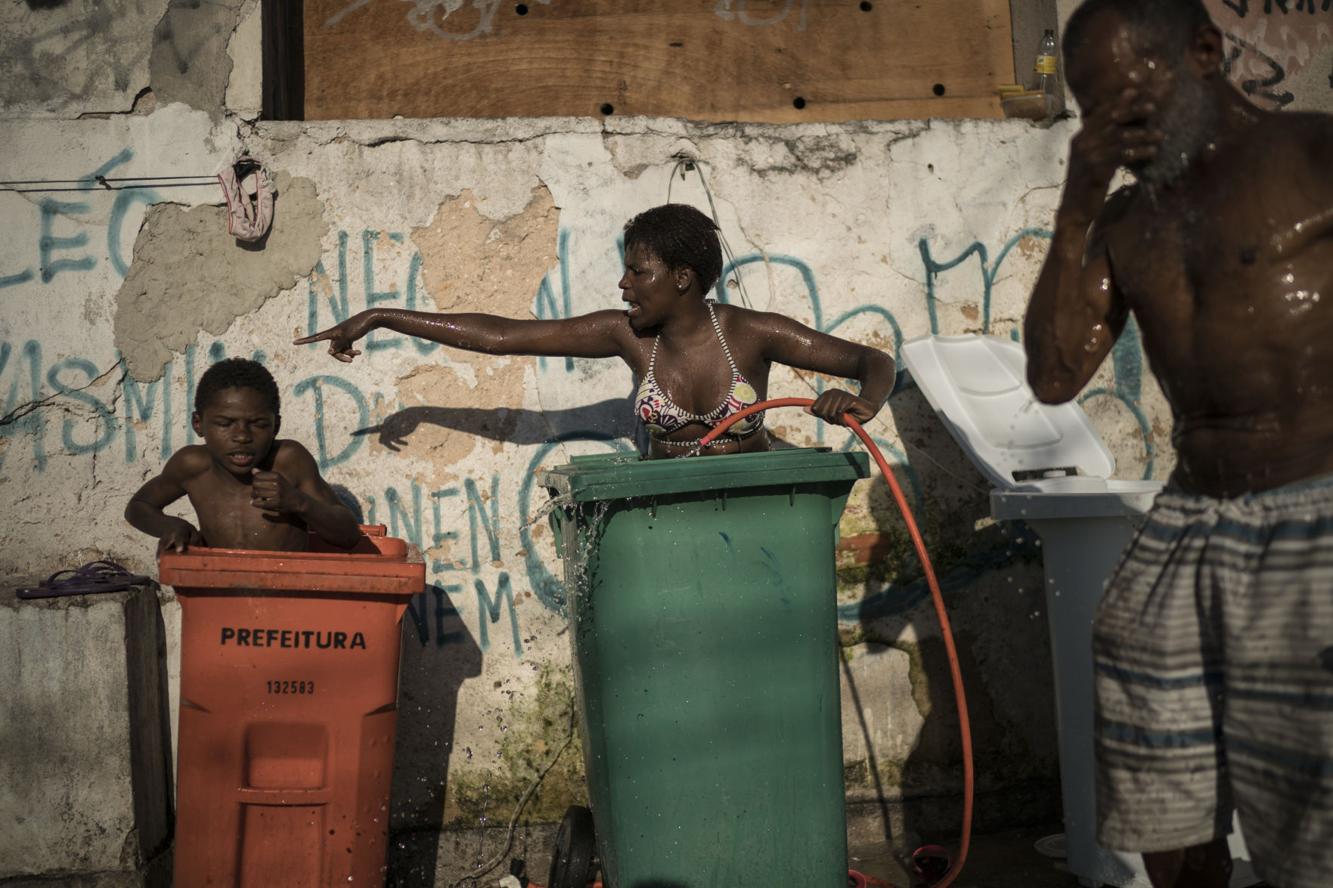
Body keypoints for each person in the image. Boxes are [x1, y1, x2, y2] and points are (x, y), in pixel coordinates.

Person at [1024, 1, 1333, 887]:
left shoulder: (1310, 154)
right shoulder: (1123, 220)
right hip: (1189, 522)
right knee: (1158, 785)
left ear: (1204, 53)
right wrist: (1076, 203)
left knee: (1311, 817)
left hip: (1316, 511)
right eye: (1090, 109)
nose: (1112, 126)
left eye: (1127, 96)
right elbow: (1051, 374)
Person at [295, 203, 896, 457]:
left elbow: (874, 361)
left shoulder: (754, 333)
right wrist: (383, 316)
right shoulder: (627, 336)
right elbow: (502, 336)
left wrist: (864, 399)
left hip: (754, 503)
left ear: (683, 278)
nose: (624, 285)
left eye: (639, 272)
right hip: (669, 507)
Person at [125, 358, 362, 553]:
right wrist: (173, 526)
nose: (241, 436)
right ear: (198, 424)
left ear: (275, 426)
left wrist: (298, 502)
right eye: (225, 423)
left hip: (287, 597)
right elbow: (139, 506)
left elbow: (348, 534)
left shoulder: (289, 461)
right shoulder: (192, 466)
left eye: (258, 424)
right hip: (219, 594)